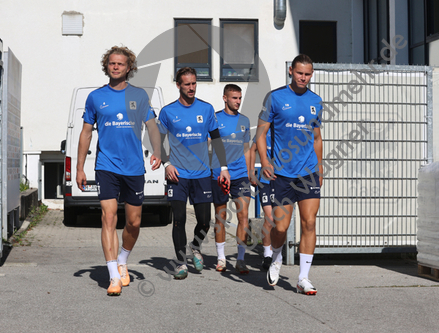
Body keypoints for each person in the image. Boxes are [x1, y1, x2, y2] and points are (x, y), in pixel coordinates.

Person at [76, 46, 161, 296]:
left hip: (134, 166)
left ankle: (123, 259)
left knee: (134, 222)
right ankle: (113, 275)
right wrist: (80, 167)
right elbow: (86, 132)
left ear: (128, 68)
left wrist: (157, 150)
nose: (115, 67)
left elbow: (152, 126)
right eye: (112, 63)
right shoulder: (95, 97)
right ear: (107, 66)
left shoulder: (140, 95)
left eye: (120, 64)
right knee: (109, 217)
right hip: (106, 166)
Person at [257, 54, 323, 295]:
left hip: (308, 173)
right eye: (299, 73)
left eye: (307, 74)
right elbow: (261, 134)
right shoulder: (275, 97)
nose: (303, 77)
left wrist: (320, 166)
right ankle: (276, 257)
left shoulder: (316, 101)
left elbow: (316, 138)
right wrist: (265, 160)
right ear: (291, 72)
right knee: (281, 227)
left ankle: (303, 278)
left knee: (309, 222)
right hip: (282, 174)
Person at [158, 67, 230, 280]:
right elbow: (156, 140)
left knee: (205, 220)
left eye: (194, 83)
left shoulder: (206, 109)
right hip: (177, 175)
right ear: (178, 85)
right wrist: (166, 164)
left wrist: (223, 168)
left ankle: (195, 246)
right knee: (179, 219)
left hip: (201, 175)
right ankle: (181, 262)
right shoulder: (167, 112)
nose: (191, 88)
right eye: (187, 84)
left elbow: (216, 140)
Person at [210, 84, 251, 274]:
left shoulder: (244, 121)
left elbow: (246, 150)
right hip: (219, 175)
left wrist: (250, 173)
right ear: (225, 98)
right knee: (221, 217)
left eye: (240, 98)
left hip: (241, 175)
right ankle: (221, 258)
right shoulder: (216, 119)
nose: (238, 102)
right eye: (234, 98)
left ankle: (241, 259)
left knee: (243, 216)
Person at [249, 129, 275, 271]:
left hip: (283, 180)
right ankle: (267, 255)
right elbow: (253, 150)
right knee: (269, 217)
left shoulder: (285, 127)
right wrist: (252, 171)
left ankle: (277, 253)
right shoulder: (263, 131)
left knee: (281, 219)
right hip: (265, 180)